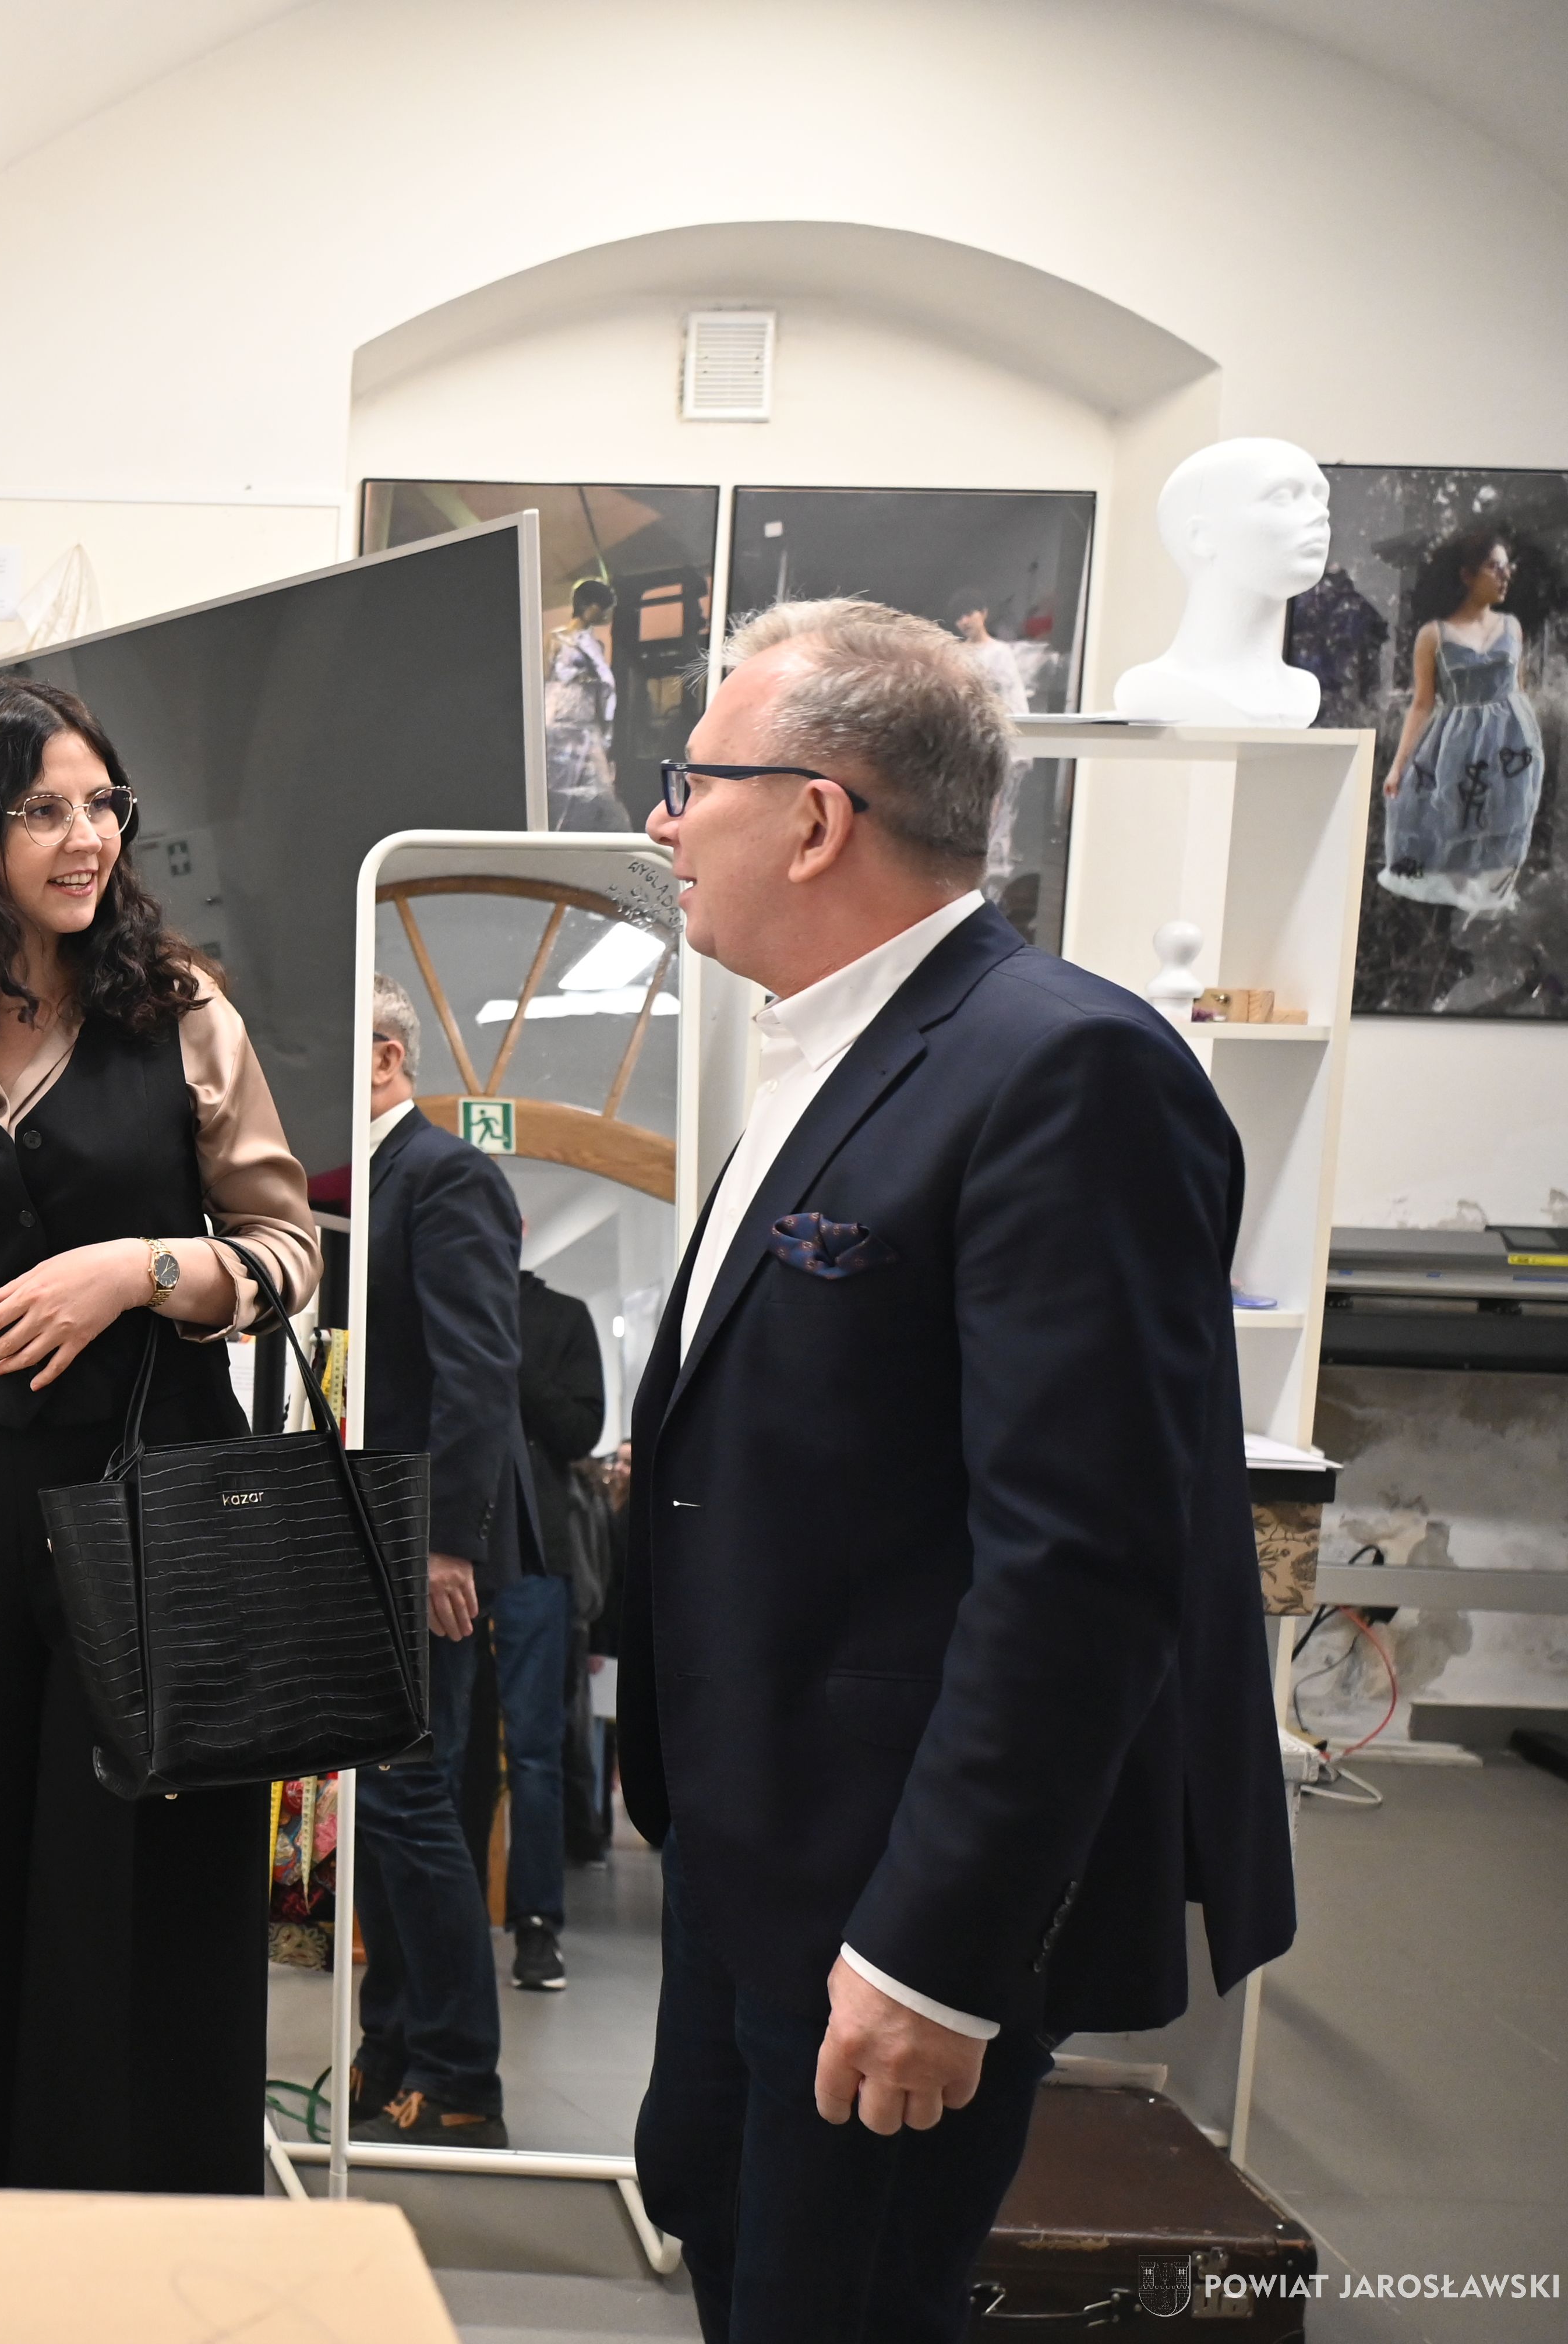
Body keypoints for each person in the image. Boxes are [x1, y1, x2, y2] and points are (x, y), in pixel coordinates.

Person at [626, 601, 1293, 2340]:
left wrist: (935, 1947)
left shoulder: (1064, 1067)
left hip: (888, 1888)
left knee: (838, 2302)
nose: (664, 819)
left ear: (814, 817)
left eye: (692, 780)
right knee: (726, 2231)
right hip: (754, 1840)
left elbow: (1084, 1564)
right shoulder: (827, 1041)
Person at [0, 677, 317, 2194]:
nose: (87, 836)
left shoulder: (184, 1016)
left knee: (146, 1895)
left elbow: (287, 1252)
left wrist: (142, 1270)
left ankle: (143, 2245)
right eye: (44, 809)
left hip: (160, 1513)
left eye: (104, 804)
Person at [340, 977, 545, 2144]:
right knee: (382, 1800)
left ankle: (462, 2076)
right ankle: (394, 2049)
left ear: (386, 1056)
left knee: (411, 1798)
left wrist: (448, 1543)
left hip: (423, 1541)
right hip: (370, 1529)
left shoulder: (443, 1173)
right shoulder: (367, 1183)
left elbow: (477, 1369)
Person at [1380, 529, 1545, 914]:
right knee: (1450, 823)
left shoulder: (1512, 628)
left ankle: (1488, 915)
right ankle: (1449, 917)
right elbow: (1422, 704)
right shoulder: (1434, 635)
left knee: (1503, 826)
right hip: (1456, 746)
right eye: (1494, 567)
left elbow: (1518, 690)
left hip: (1510, 748)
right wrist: (1399, 765)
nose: (1505, 575)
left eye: (1508, 567)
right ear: (1467, 575)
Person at [514, 1256, 606, 1889]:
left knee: (535, 1745)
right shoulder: (440, 1302)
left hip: (538, 1550)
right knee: (449, 1747)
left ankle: (536, 1913)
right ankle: (463, 1913)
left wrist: (512, 1362)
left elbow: (580, 1432)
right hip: (455, 1540)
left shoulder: (562, 1316)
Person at [547, 578, 623, 830]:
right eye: (603, 608)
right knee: (558, 780)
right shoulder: (556, 639)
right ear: (591, 607)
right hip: (560, 717)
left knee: (597, 785)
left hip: (587, 719)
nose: (605, 614)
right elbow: (545, 678)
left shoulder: (596, 645)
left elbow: (604, 684)